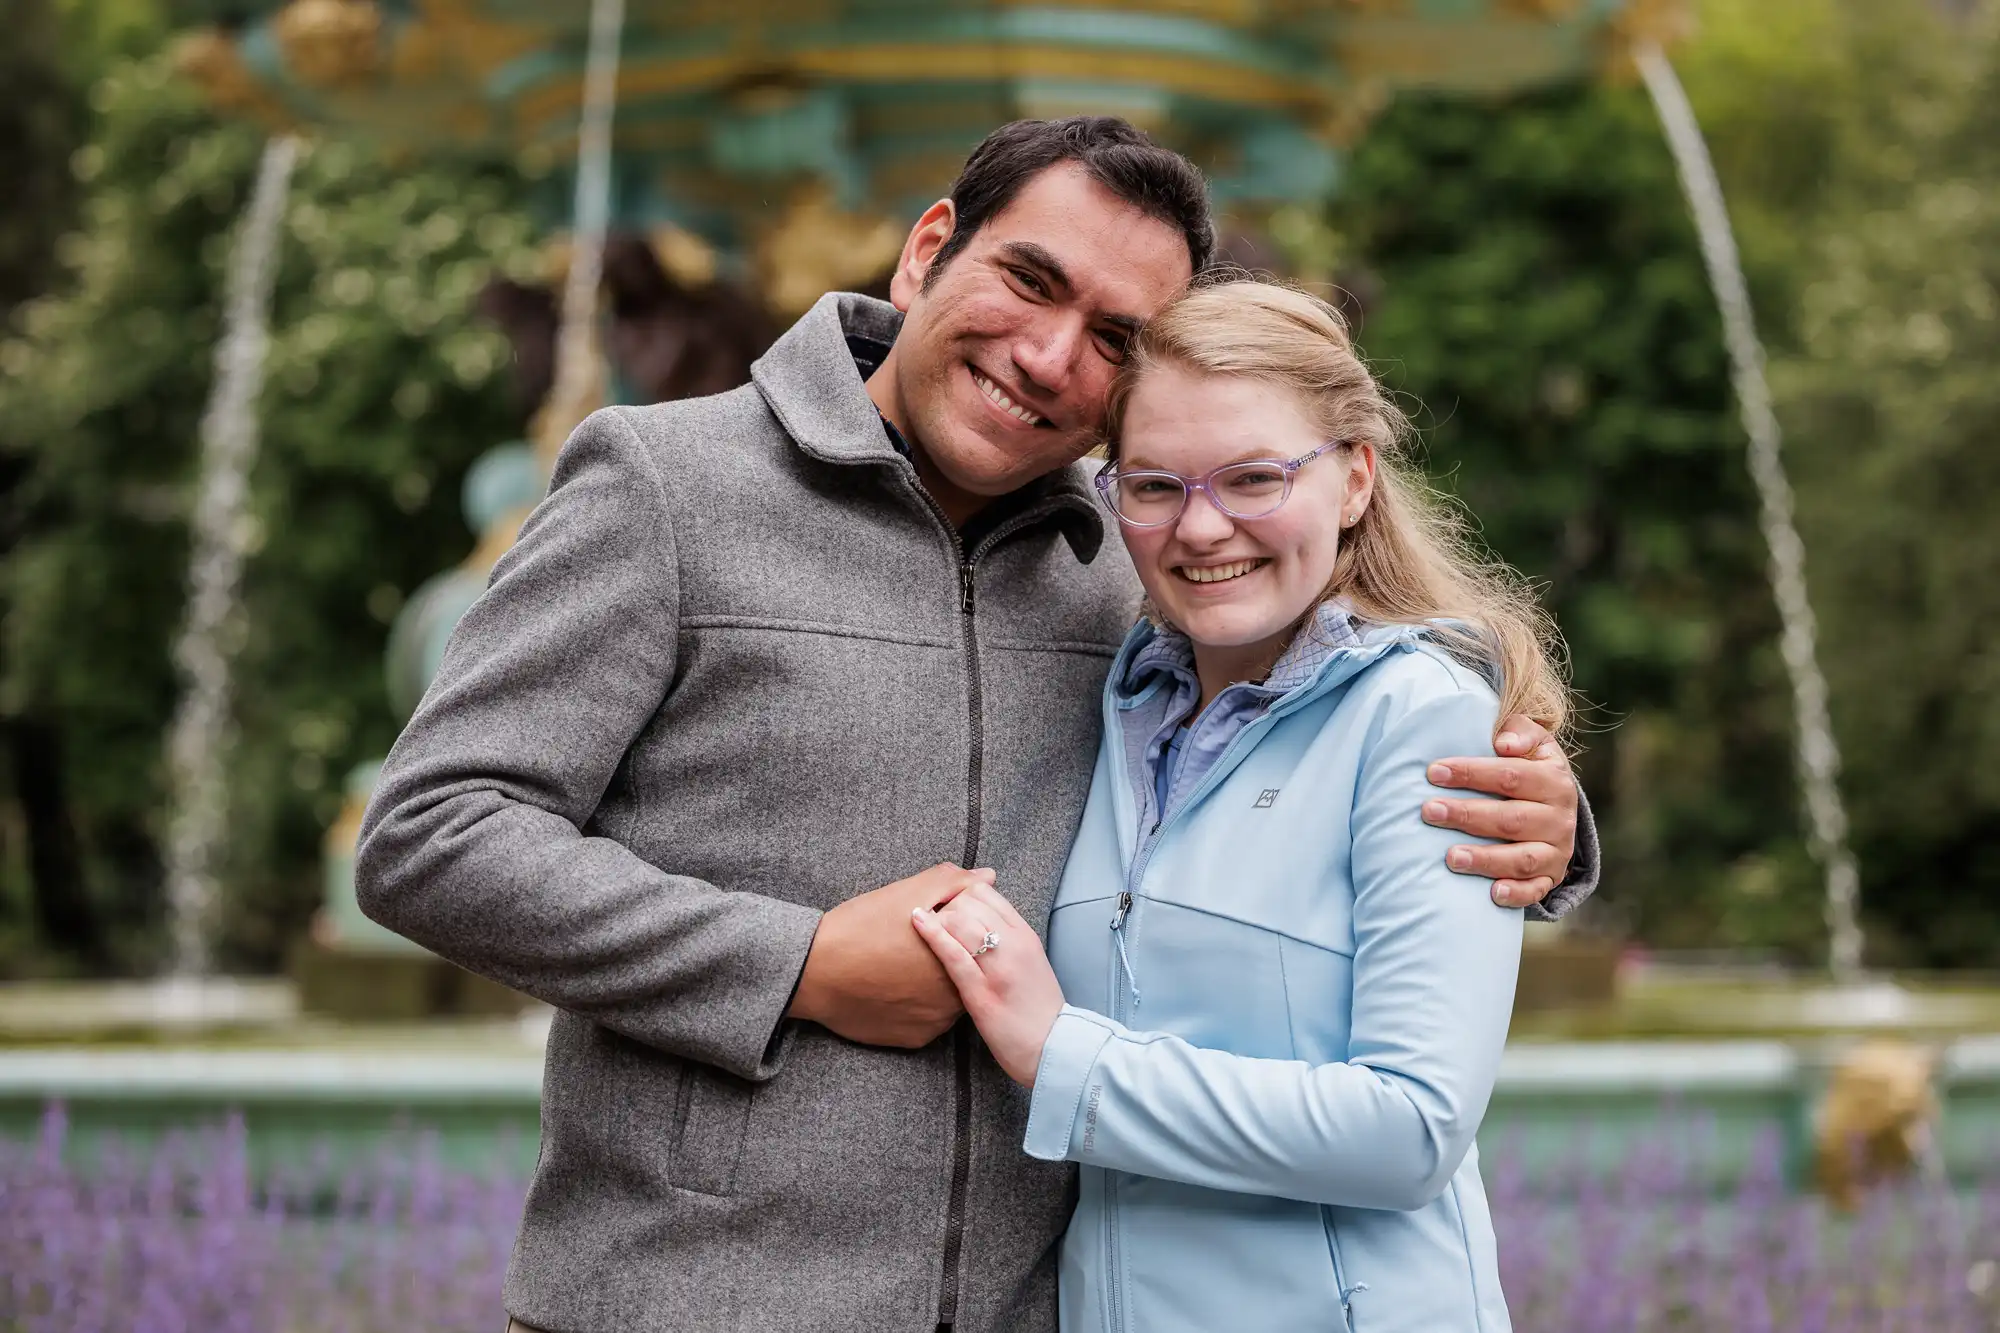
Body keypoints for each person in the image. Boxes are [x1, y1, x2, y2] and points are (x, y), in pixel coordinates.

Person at [356, 119, 1594, 1333]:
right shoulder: (665, 484)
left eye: (1112, 336)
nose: (1051, 357)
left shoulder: (1140, 548)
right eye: (1027, 278)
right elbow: (431, 832)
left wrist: (1537, 821)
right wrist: (794, 965)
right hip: (683, 1297)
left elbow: (1324, 710)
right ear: (926, 248)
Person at [913, 279, 1560, 1332]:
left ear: (1353, 478)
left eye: (1253, 477)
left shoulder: (1419, 717)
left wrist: (1060, 1055)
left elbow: (1409, 1129)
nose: (1200, 527)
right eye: (1154, 484)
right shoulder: (1119, 702)